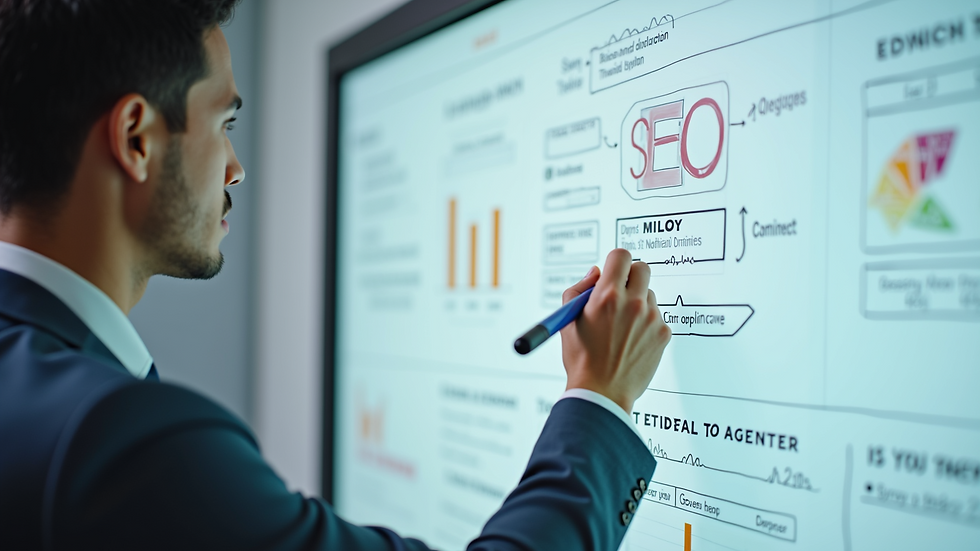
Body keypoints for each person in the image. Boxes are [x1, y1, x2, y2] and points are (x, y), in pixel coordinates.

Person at [0, 1, 672, 549]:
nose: (234, 167)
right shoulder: (119, 441)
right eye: (224, 123)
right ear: (136, 137)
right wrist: (598, 398)